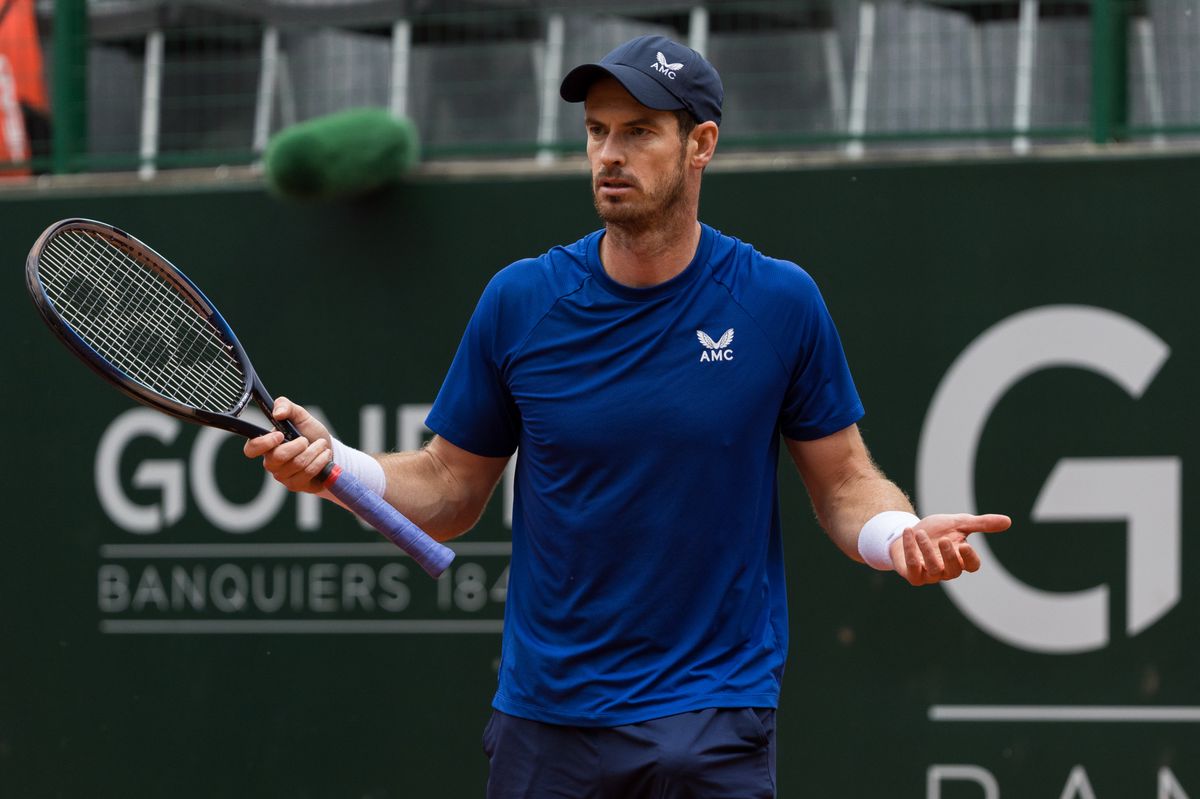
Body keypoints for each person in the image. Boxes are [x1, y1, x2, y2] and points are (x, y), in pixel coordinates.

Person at [244, 34, 1011, 799]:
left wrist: (896, 534)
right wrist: (340, 466)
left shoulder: (779, 303)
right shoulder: (521, 301)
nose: (610, 153)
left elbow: (844, 482)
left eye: (639, 131)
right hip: (546, 722)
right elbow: (450, 488)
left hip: (709, 715)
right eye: (597, 131)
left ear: (700, 144)